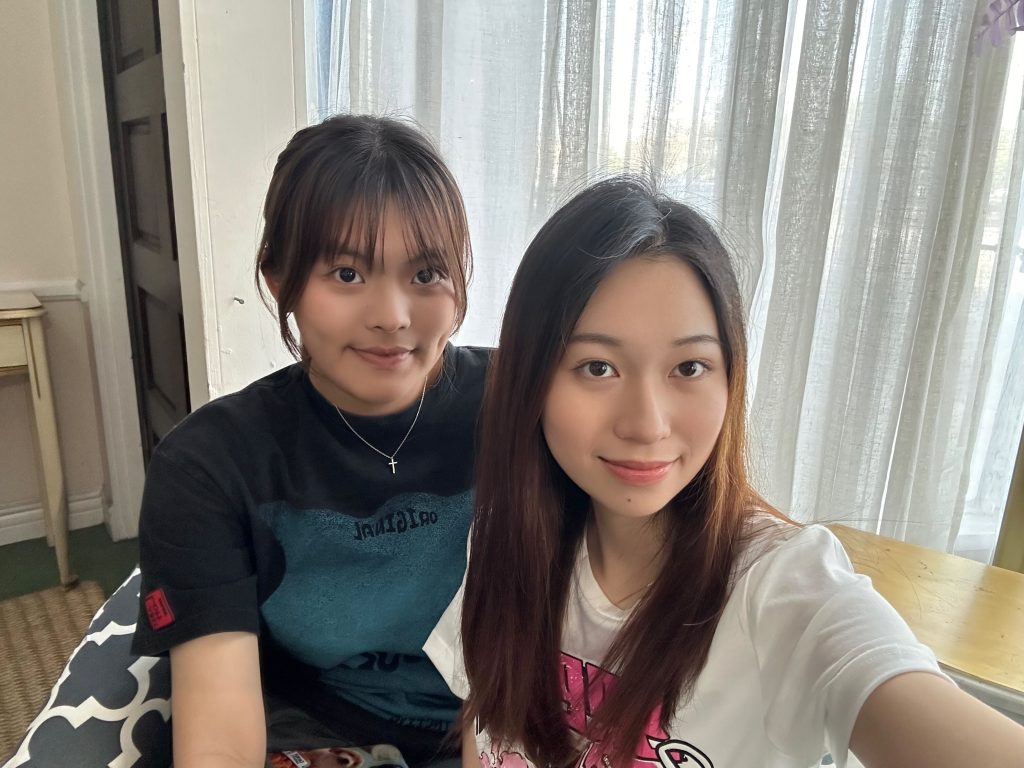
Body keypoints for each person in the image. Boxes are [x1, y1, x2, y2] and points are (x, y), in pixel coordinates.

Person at [424, 177, 1024, 768]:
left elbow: (880, 678)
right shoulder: (506, 537)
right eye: (598, 367)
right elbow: (489, 724)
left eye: (688, 366)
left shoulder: (781, 587)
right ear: (532, 379)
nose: (647, 424)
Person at [132, 114, 489, 768]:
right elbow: (218, 735)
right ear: (279, 278)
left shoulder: (526, 407)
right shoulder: (209, 465)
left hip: (517, 715)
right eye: (348, 274)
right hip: (320, 725)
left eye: (426, 273)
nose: (392, 316)